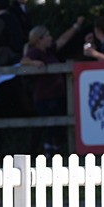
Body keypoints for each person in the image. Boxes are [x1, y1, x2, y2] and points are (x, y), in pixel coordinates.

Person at [20, 20, 83, 158]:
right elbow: (23, 63)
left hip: (56, 94)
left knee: (56, 124)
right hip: (44, 96)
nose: (50, 38)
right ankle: (46, 152)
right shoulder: (34, 52)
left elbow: (63, 40)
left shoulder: (49, 51)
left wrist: (76, 26)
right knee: (50, 125)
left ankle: (51, 150)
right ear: (39, 40)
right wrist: (33, 62)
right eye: (47, 36)